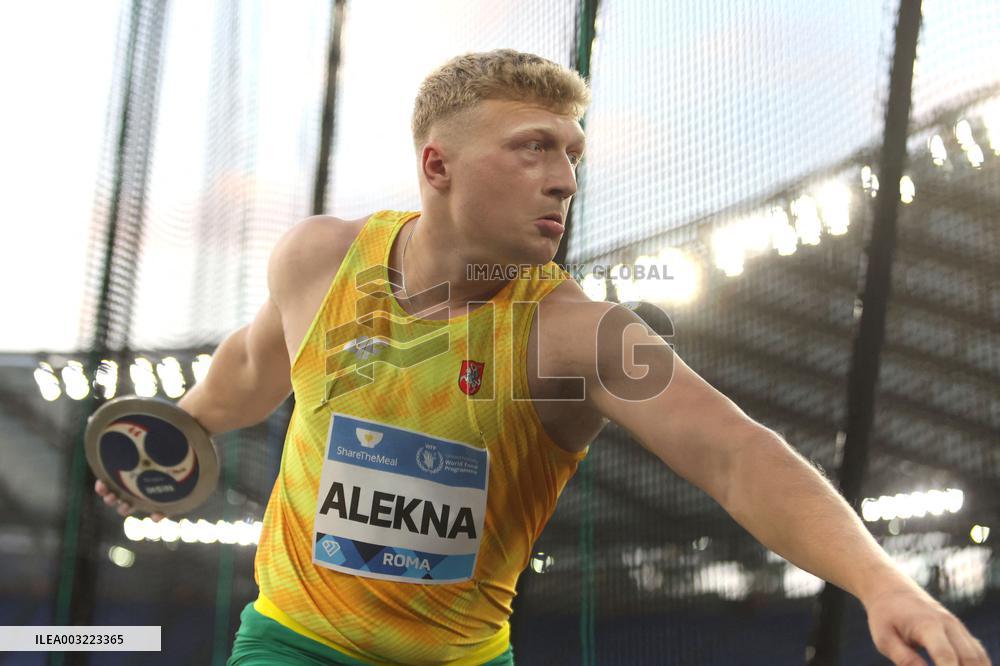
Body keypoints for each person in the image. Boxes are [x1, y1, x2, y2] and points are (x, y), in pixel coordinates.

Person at [95, 49, 991, 666]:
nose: (564, 178)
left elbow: (736, 453)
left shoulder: (582, 336)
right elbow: (254, 366)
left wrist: (881, 583)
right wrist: (175, 434)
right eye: (532, 148)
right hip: (292, 644)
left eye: (571, 154)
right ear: (437, 167)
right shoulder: (321, 260)